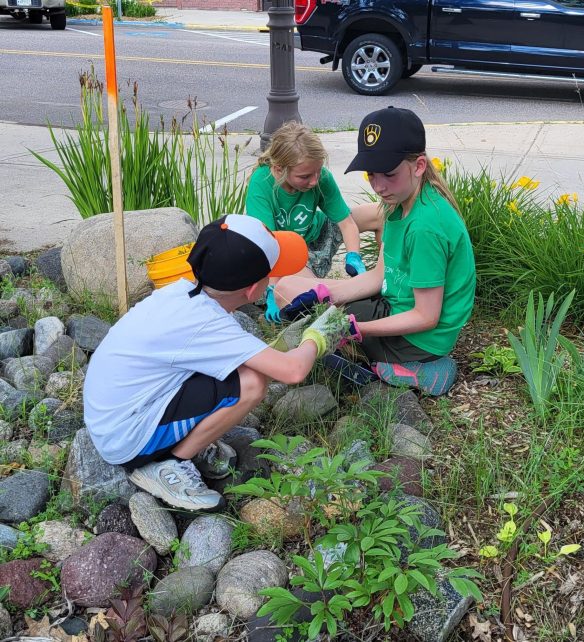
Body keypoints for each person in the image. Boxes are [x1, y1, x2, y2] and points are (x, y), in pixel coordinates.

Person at [83, 215, 351, 512]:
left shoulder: (181, 293)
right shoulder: (207, 324)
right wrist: (317, 336)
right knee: (252, 382)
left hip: (111, 415)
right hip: (126, 438)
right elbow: (292, 371)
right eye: (272, 275)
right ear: (253, 290)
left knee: (246, 369)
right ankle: (170, 464)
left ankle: (174, 444)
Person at [274, 107, 476, 396]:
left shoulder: (425, 228)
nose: (379, 186)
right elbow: (381, 275)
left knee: (303, 312)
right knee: (288, 287)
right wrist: (325, 295)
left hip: (419, 339)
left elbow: (426, 317)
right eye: (371, 174)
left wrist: (357, 328)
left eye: (389, 174)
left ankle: (424, 369)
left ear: (418, 166)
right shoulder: (400, 202)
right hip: (398, 307)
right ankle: (371, 357)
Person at [245, 121, 383, 322]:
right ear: (278, 168)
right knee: (299, 286)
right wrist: (272, 291)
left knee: (380, 213)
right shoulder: (262, 183)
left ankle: (386, 276)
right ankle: (356, 298)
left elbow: (346, 223)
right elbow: (270, 247)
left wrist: (354, 256)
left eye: (318, 172)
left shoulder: (319, 176)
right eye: (305, 176)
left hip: (319, 232)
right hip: (288, 255)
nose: (315, 181)